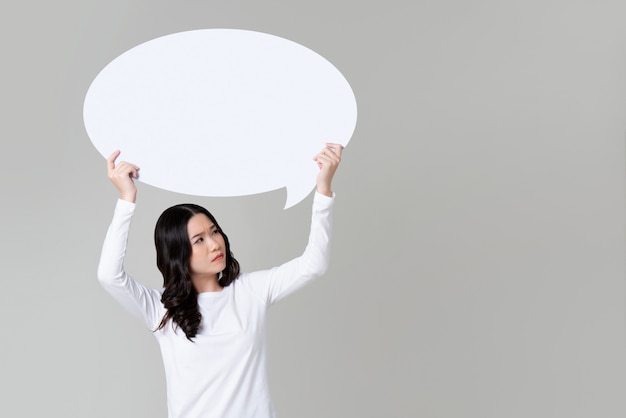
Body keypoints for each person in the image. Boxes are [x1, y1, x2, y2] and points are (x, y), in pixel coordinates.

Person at [97, 143, 342, 418]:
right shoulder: (161, 310)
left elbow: (314, 265)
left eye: (215, 232)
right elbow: (109, 275)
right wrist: (126, 200)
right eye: (199, 240)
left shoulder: (251, 291)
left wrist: (323, 191)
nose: (215, 244)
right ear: (178, 254)